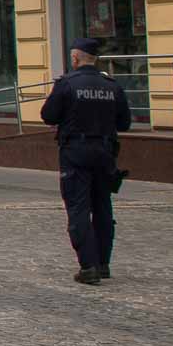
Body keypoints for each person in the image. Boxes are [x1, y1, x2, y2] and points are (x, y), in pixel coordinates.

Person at [41, 38, 133, 285]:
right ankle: (103, 263)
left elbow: (48, 115)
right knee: (103, 207)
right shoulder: (111, 86)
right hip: (105, 151)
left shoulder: (67, 84)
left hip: (75, 152)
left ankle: (88, 266)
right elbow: (124, 123)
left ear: (75, 58)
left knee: (79, 208)